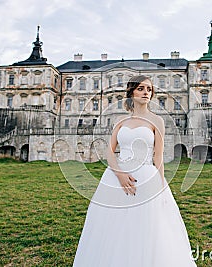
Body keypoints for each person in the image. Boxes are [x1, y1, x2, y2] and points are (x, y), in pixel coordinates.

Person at [73, 75, 196, 267]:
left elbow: (158, 158)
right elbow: (110, 151)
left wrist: (162, 186)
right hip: (116, 178)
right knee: (113, 226)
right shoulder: (121, 121)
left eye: (149, 89)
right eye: (141, 88)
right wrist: (120, 174)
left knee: (145, 226)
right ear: (131, 92)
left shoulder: (157, 121)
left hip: (146, 177)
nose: (146, 92)